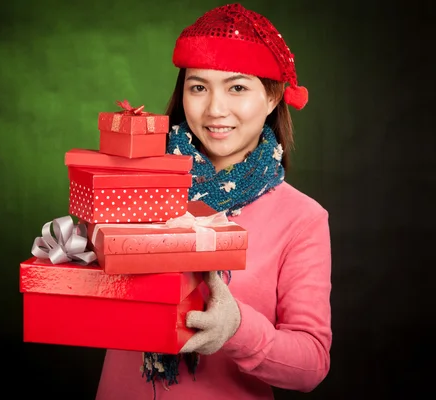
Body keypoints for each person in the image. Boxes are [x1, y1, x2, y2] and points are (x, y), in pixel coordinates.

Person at [95, 3, 332, 399]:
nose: (215, 109)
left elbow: (311, 364)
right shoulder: (139, 186)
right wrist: (81, 252)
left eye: (237, 87)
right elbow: (100, 306)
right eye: (198, 87)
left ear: (273, 97)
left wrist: (236, 329)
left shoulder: (302, 218)